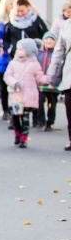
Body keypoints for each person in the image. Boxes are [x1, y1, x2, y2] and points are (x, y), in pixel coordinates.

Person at [4, 39, 50, 148]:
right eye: (17, 48)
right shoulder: (12, 63)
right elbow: (7, 76)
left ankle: (24, 138)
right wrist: (14, 83)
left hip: (28, 96)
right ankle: (17, 134)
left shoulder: (34, 64)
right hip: (16, 97)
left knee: (25, 118)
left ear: (28, 51)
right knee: (15, 118)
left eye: (21, 49)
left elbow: (39, 77)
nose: (17, 51)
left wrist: (47, 79)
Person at [46, 19, 71, 150]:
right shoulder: (66, 25)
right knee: (69, 105)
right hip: (69, 71)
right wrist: (51, 73)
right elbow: (59, 50)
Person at [0, 0, 16, 123]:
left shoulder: (15, 21)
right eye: (10, 4)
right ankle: (5, 110)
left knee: (12, 85)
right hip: (0, 56)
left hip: (12, 54)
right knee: (2, 85)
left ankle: (14, 110)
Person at [36, 32, 59, 131]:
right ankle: (41, 121)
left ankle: (50, 122)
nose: (49, 41)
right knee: (39, 102)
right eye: (47, 39)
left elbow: (58, 70)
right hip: (40, 84)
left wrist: (54, 83)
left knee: (52, 104)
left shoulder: (57, 55)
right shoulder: (38, 54)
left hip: (53, 85)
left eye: (51, 39)